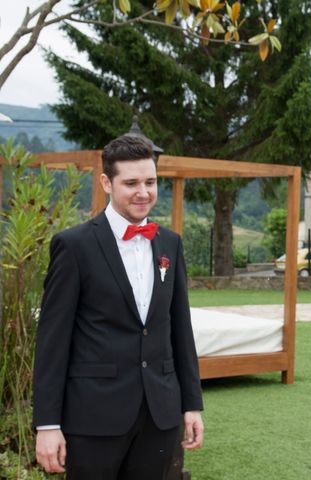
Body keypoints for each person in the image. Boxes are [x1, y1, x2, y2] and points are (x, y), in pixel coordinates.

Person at [32, 135, 204, 479]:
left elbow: (179, 328)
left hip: (160, 414)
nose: (144, 192)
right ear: (106, 183)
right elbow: (53, 340)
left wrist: (191, 403)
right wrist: (47, 425)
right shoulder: (74, 246)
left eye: (151, 182)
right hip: (93, 417)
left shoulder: (170, 243)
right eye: (131, 183)